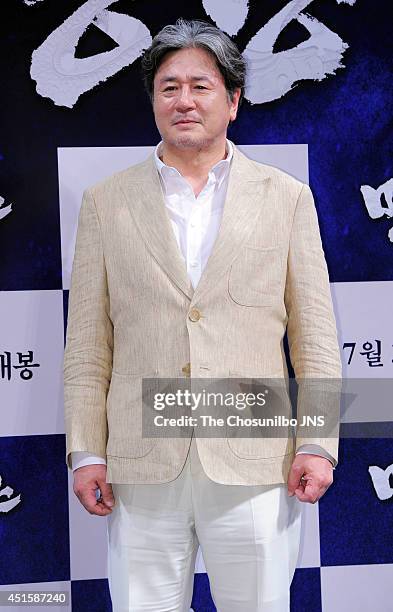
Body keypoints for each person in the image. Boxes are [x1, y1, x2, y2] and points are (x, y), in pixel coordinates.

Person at [63, 18, 342, 612]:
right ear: (153, 101)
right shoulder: (106, 203)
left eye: (200, 85)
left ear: (233, 101)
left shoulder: (286, 197)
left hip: (256, 462)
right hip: (141, 467)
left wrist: (318, 440)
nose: (183, 101)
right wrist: (87, 450)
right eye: (168, 87)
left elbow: (315, 339)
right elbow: (88, 346)